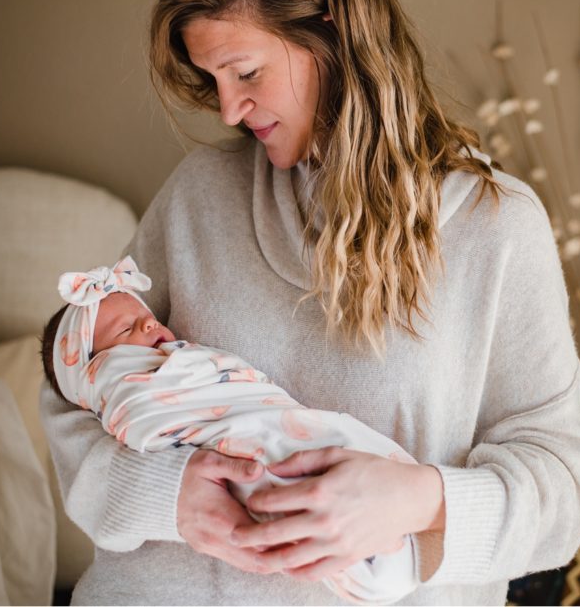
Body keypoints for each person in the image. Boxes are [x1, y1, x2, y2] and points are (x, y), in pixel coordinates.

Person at [39, 0, 580, 604]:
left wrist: (420, 501)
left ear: (333, 33)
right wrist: (166, 495)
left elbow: (562, 491)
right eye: (212, 78)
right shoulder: (198, 196)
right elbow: (71, 375)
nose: (228, 109)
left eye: (246, 73)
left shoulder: (496, 228)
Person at [40, 256, 418, 604]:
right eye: (126, 328)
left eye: (148, 317)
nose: (150, 322)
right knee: (289, 495)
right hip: (144, 587)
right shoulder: (122, 386)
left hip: (305, 440)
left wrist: (434, 503)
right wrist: (163, 490)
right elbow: (69, 398)